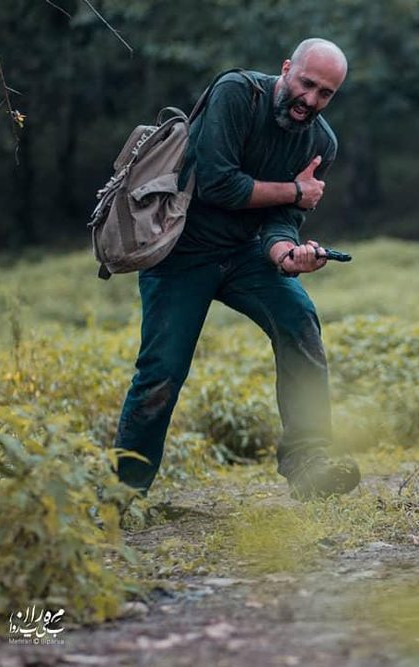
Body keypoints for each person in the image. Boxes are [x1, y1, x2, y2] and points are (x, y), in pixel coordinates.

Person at [113, 38, 360, 499]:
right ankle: (125, 492)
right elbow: (216, 182)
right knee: (161, 369)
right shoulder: (236, 92)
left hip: (247, 254)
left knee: (299, 321)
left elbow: (282, 221)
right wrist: (293, 190)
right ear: (286, 68)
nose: (310, 100)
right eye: (306, 84)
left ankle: (310, 463)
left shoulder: (321, 141)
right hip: (181, 251)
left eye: (325, 93)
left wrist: (287, 254)